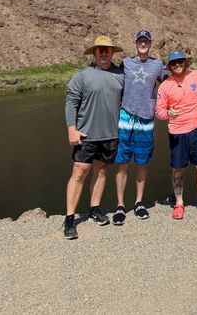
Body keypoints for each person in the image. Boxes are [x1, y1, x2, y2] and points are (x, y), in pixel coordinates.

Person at [63, 35, 125, 239]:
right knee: (79, 172)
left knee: (101, 171)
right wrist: (71, 128)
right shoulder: (83, 75)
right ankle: (70, 218)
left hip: (110, 134)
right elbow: (71, 101)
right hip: (86, 134)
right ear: (94, 53)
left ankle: (94, 209)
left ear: (112, 53)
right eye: (101, 50)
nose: (105, 53)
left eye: (108, 50)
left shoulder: (120, 74)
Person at [155, 51, 197, 222]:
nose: (177, 65)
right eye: (174, 63)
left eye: (180, 61)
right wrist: (168, 113)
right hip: (177, 133)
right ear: (170, 66)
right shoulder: (165, 86)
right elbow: (159, 111)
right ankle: (179, 203)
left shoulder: (196, 75)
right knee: (178, 169)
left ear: (185, 62)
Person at [112, 29, 165, 225]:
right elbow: (112, 79)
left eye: (146, 41)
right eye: (140, 41)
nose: (143, 44)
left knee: (142, 163)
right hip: (126, 117)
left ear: (150, 44)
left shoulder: (157, 65)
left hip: (146, 119)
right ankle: (120, 205)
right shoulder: (126, 63)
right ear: (135, 43)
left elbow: (175, 79)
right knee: (122, 162)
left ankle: (139, 203)